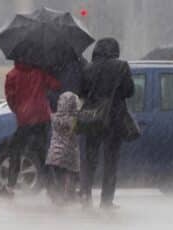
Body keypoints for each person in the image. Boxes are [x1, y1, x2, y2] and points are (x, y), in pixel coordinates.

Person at [0, 61, 60, 199]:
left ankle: (10, 188)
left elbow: (10, 99)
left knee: (15, 151)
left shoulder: (12, 75)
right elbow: (55, 85)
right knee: (43, 153)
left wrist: (19, 111)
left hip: (24, 119)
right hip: (42, 118)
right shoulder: (40, 72)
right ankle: (53, 191)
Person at [79, 38, 135, 209]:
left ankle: (86, 196)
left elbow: (82, 91)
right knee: (111, 161)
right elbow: (129, 91)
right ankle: (106, 201)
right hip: (114, 118)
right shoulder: (122, 66)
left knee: (89, 160)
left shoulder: (88, 68)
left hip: (93, 118)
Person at [46, 92, 80, 205]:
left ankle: (57, 196)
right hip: (69, 155)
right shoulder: (74, 119)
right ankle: (67, 197)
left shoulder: (54, 117)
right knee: (69, 177)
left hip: (54, 155)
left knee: (58, 178)